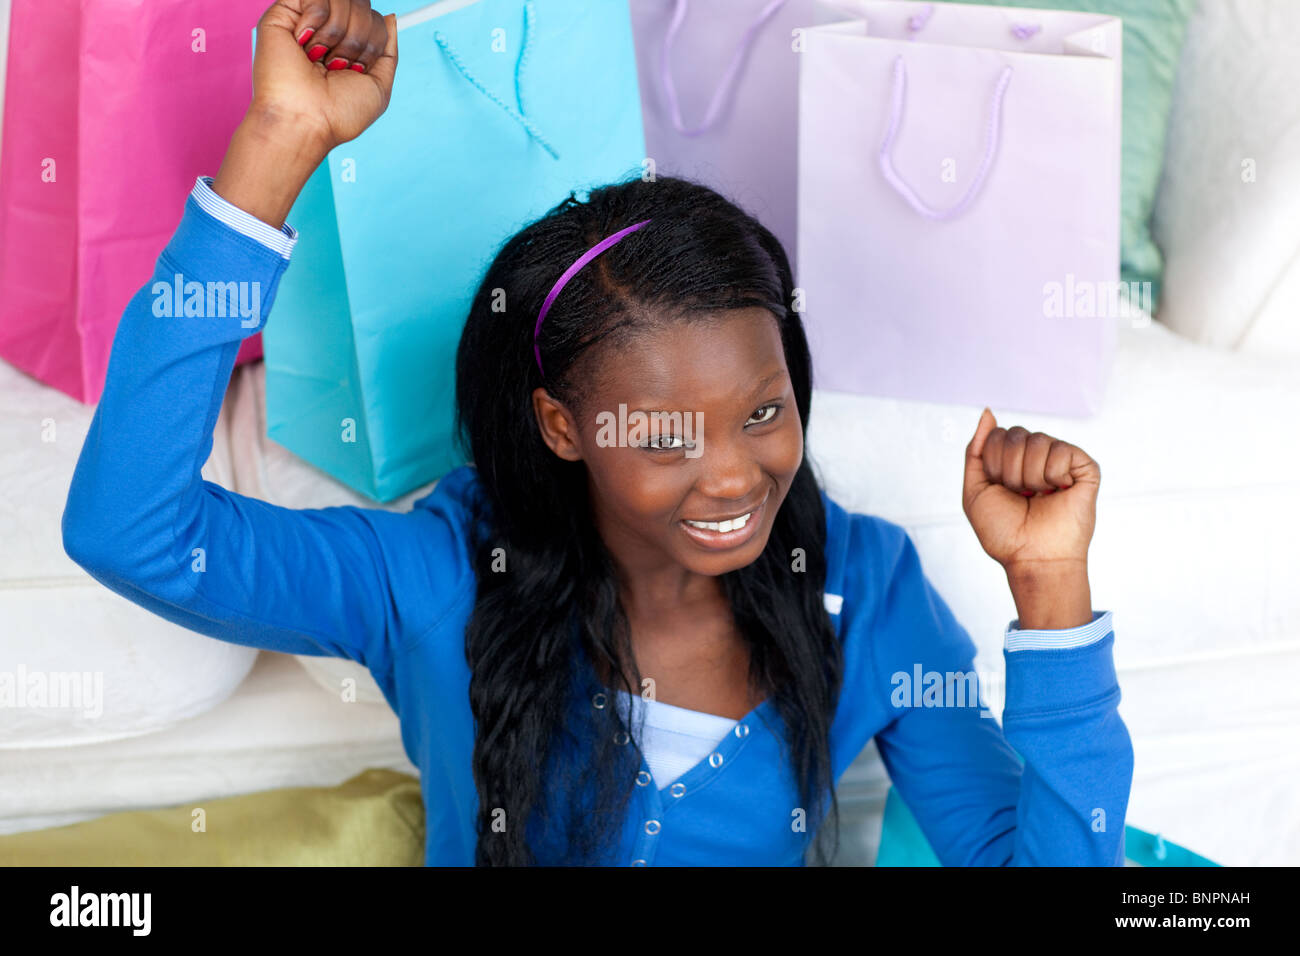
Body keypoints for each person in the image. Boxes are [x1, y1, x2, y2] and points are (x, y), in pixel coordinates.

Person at [61, 0, 1133, 866]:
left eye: (762, 412)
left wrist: (1050, 592)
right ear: (561, 425)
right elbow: (132, 529)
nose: (733, 474)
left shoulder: (868, 586)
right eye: (665, 434)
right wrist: (277, 145)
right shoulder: (436, 576)